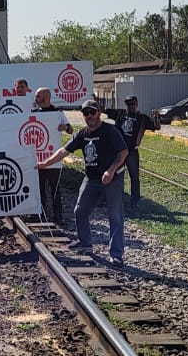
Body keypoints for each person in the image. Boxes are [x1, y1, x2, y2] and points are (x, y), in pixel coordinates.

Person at [38, 100, 129, 265]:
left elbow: (123, 152)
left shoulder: (110, 130)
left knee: (115, 216)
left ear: (98, 113)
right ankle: (85, 243)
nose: (89, 116)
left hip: (113, 178)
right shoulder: (83, 134)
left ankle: (116, 254)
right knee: (80, 210)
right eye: (85, 113)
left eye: (92, 112)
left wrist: (111, 170)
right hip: (92, 178)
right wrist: (44, 164)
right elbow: (63, 151)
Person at [33, 87, 73, 223]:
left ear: (46, 97)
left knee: (55, 189)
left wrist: (66, 127)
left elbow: (70, 129)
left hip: (54, 158)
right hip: (38, 158)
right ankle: (41, 214)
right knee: (39, 189)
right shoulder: (33, 112)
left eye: (38, 96)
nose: (36, 99)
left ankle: (58, 216)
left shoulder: (58, 112)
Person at [112, 96, 155, 210]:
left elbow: (156, 127)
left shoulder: (142, 118)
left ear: (136, 104)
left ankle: (135, 201)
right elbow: (103, 110)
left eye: (132, 103)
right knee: (116, 174)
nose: (130, 106)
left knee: (134, 177)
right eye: (128, 104)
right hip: (120, 150)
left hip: (132, 151)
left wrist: (157, 118)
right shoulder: (120, 114)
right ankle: (116, 199)